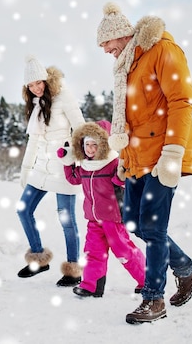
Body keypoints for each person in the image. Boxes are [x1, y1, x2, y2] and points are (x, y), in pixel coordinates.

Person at [96, 2, 192, 324]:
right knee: (133, 222)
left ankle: (154, 299)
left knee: (154, 229)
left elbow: (181, 101)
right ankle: (188, 270)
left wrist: (173, 153)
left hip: (162, 157)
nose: (105, 49)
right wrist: (125, 158)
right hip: (138, 159)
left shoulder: (162, 50)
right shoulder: (128, 65)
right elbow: (134, 119)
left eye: (107, 42)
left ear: (121, 35)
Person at [16, 55, 85, 287]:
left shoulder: (64, 97)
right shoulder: (35, 106)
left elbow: (82, 129)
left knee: (66, 219)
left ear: (46, 79)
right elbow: (34, 141)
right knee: (23, 210)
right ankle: (38, 259)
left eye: (39, 82)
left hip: (63, 167)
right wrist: (26, 168)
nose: (36, 88)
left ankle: (74, 270)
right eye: (31, 85)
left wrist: (73, 155)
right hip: (40, 169)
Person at [57, 120, 145, 298]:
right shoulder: (85, 165)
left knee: (124, 251)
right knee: (92, 252)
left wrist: (121, 176)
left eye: (94, 145)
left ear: (103, 145)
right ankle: (91, 286)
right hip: (93, 218)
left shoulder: (112, 162)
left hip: (113, 218)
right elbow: (74, 179)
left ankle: (146, 279)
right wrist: (67, 162)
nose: (90, 149)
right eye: (87, 144)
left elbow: (124, 181)